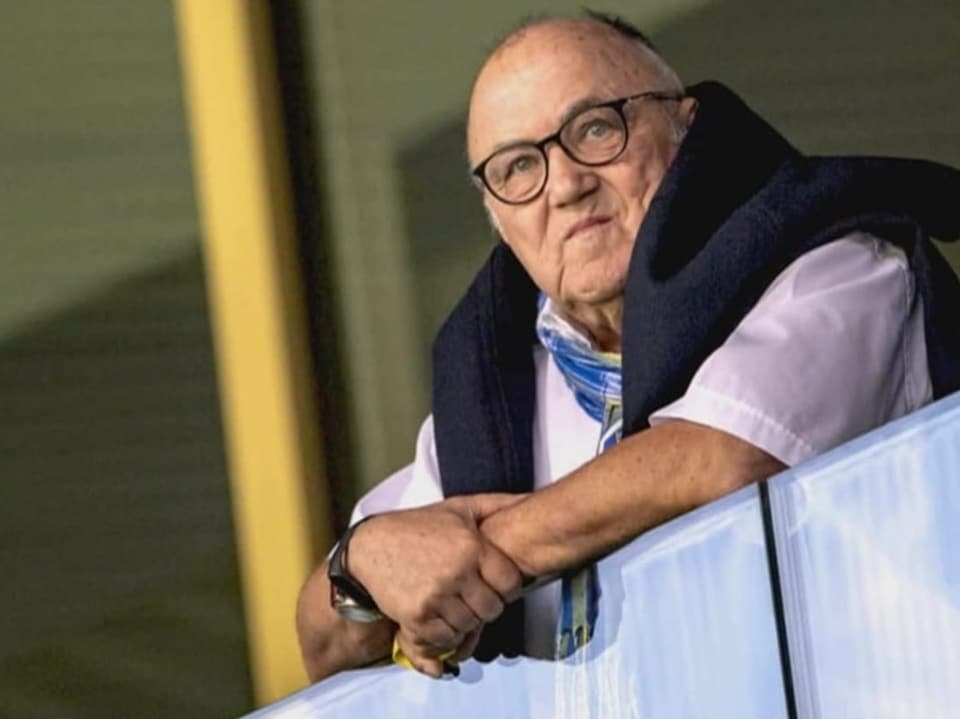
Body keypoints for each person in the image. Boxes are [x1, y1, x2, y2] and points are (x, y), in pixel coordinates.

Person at [296, 12, 960, 682]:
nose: (564, 184)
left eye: (595, 128)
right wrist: (363, 560)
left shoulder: (841, 268)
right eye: (519, 166)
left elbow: (718, 458)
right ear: (499, 220)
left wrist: (469, 564)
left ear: (688, 126)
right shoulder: (490, 400)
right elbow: (320, 642)